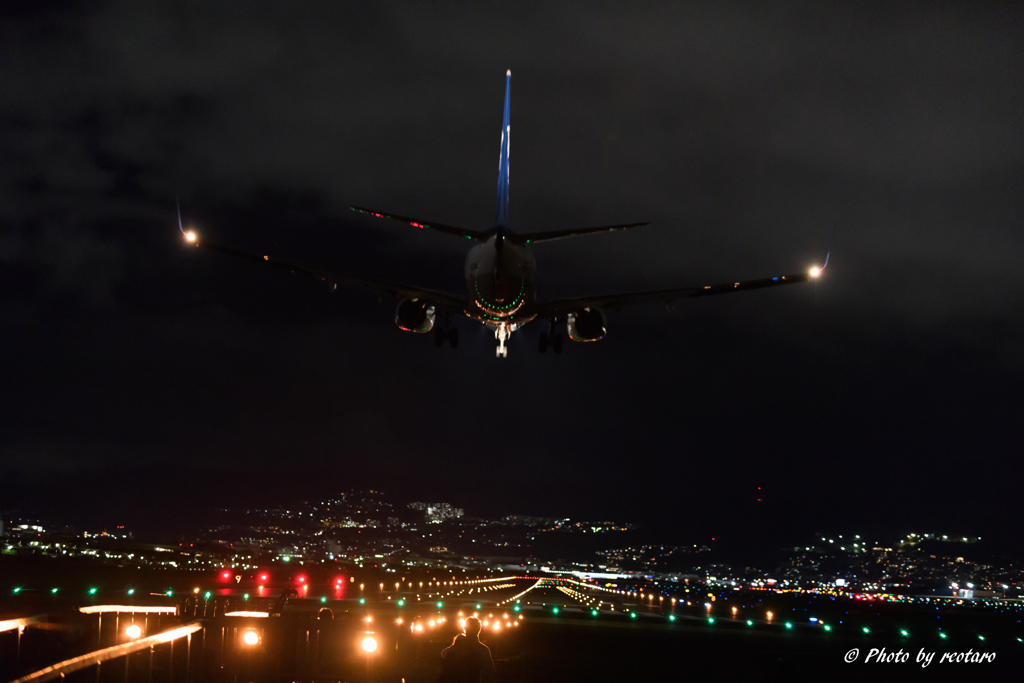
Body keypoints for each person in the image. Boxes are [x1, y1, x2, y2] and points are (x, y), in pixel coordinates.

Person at [438, 617, 495, 683]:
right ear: (479, 630)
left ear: (464, 628)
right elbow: (491, 669)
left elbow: (443, 653)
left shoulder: (459, 645)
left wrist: (454, 646)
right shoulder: (483, 649)